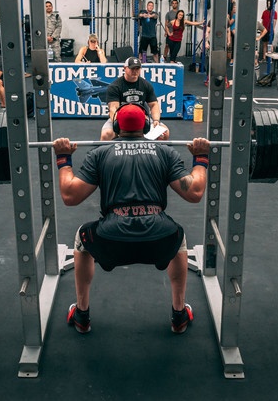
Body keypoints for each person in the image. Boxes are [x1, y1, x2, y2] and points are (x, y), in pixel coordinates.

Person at [53, 103, 209, 334]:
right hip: (159, 238)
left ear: (116, 126)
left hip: (111, 239)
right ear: (146, 126)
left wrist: (64, 158)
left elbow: (70, 195)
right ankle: (179, 315)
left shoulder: (100, 153)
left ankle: (81, 315)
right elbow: (195, 193)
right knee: (179, 239)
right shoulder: (165, 151)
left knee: (81, 238)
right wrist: (201, 157)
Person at [100, 56, 169, 141]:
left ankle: (157, 153)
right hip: (120, 118)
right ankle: (102, 153)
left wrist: (156, 120)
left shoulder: (146, 85)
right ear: (125, 68)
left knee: (164, 133)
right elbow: (113, 108)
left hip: (141, 117)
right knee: (106, 135)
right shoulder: (115, 86)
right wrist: (118, 123)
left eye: (137, 68)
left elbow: (154, 104)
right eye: (132, 68)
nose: (135, 71)